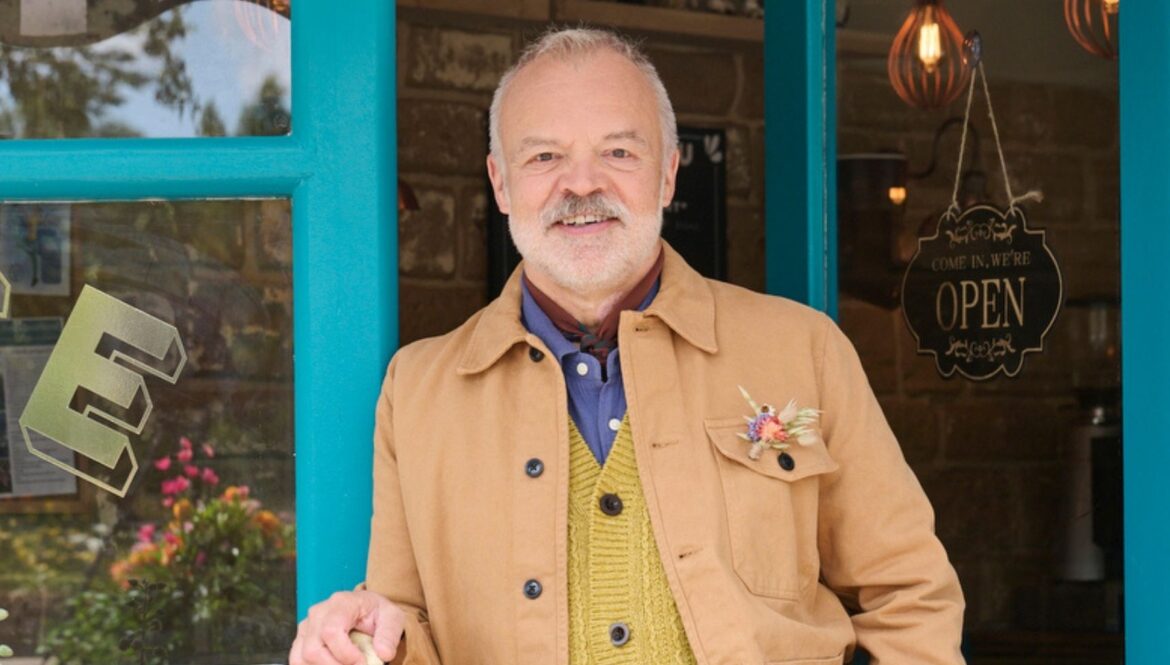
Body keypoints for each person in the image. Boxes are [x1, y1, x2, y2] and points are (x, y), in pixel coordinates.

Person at [290, 27, 965, 665]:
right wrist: (372, 638)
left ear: (668, 174)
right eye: (544, 156)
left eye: (618, 152)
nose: (582, 184)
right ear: (500, 183)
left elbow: (909, 595)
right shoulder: (418, 389)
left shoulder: (803, 350)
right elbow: (406, 622)